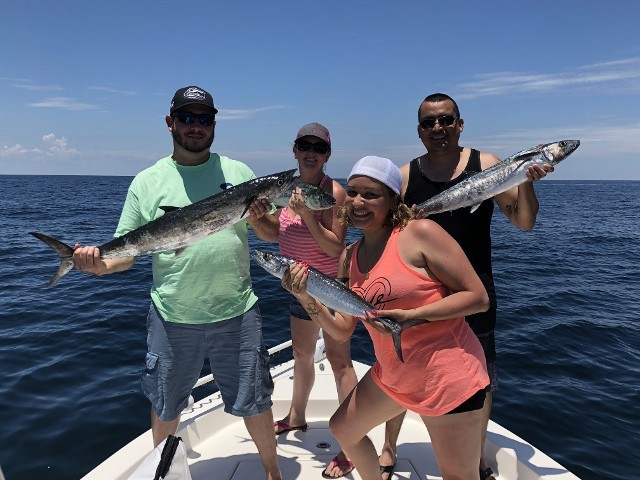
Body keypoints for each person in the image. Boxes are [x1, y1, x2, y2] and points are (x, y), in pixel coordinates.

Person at [72, 86, 282, 480]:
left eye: (204, 119)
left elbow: (271, 235)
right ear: (171, 123)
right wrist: (98, 266)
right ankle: (161, 476)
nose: (196, 126)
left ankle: (273, 473)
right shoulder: (146, 182)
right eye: (187, 118)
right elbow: (126, 254)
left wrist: (257, 216)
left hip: (237, 312)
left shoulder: (239, 174)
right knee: (167, 406)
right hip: (172, 317)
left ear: (214, 124)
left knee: (255, 401)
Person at [281, 155, 491, 480]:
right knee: (343, 429)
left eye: (371, 194)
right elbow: (340, 331)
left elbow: (477, 298)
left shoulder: (419, 233)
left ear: (393, 199)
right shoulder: (349, 256)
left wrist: (413, 316)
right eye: (352, 192)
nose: (358, 202)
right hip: (393, 377)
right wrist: (305, 296)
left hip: (446, 379)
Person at [379, 93, 554, 480]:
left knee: (480, 376)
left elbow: (524, 222)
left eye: (445, 120)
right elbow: (387, 234)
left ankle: (476, 457)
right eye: (429, 123)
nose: (438, 128)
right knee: (399, 367)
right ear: (420, 130)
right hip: (419, 292)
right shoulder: (405, 176)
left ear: (460, 123)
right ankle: (389, 445)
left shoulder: (487, 165)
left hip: (475, 292)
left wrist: (526, 181)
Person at [258, 123, 359, 479]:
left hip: (328, 287)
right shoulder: (284, 189)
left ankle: (351, 442)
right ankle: (296, 416)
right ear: (295, 150)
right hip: (295, 286)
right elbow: (273, 233)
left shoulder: (335, 192)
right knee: (301, 354)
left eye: (319, 146)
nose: (311, 151)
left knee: (339, 362)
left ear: (328, 154)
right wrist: (258, 218)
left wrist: (308, 217)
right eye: (305, 145)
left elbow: (336, 245)